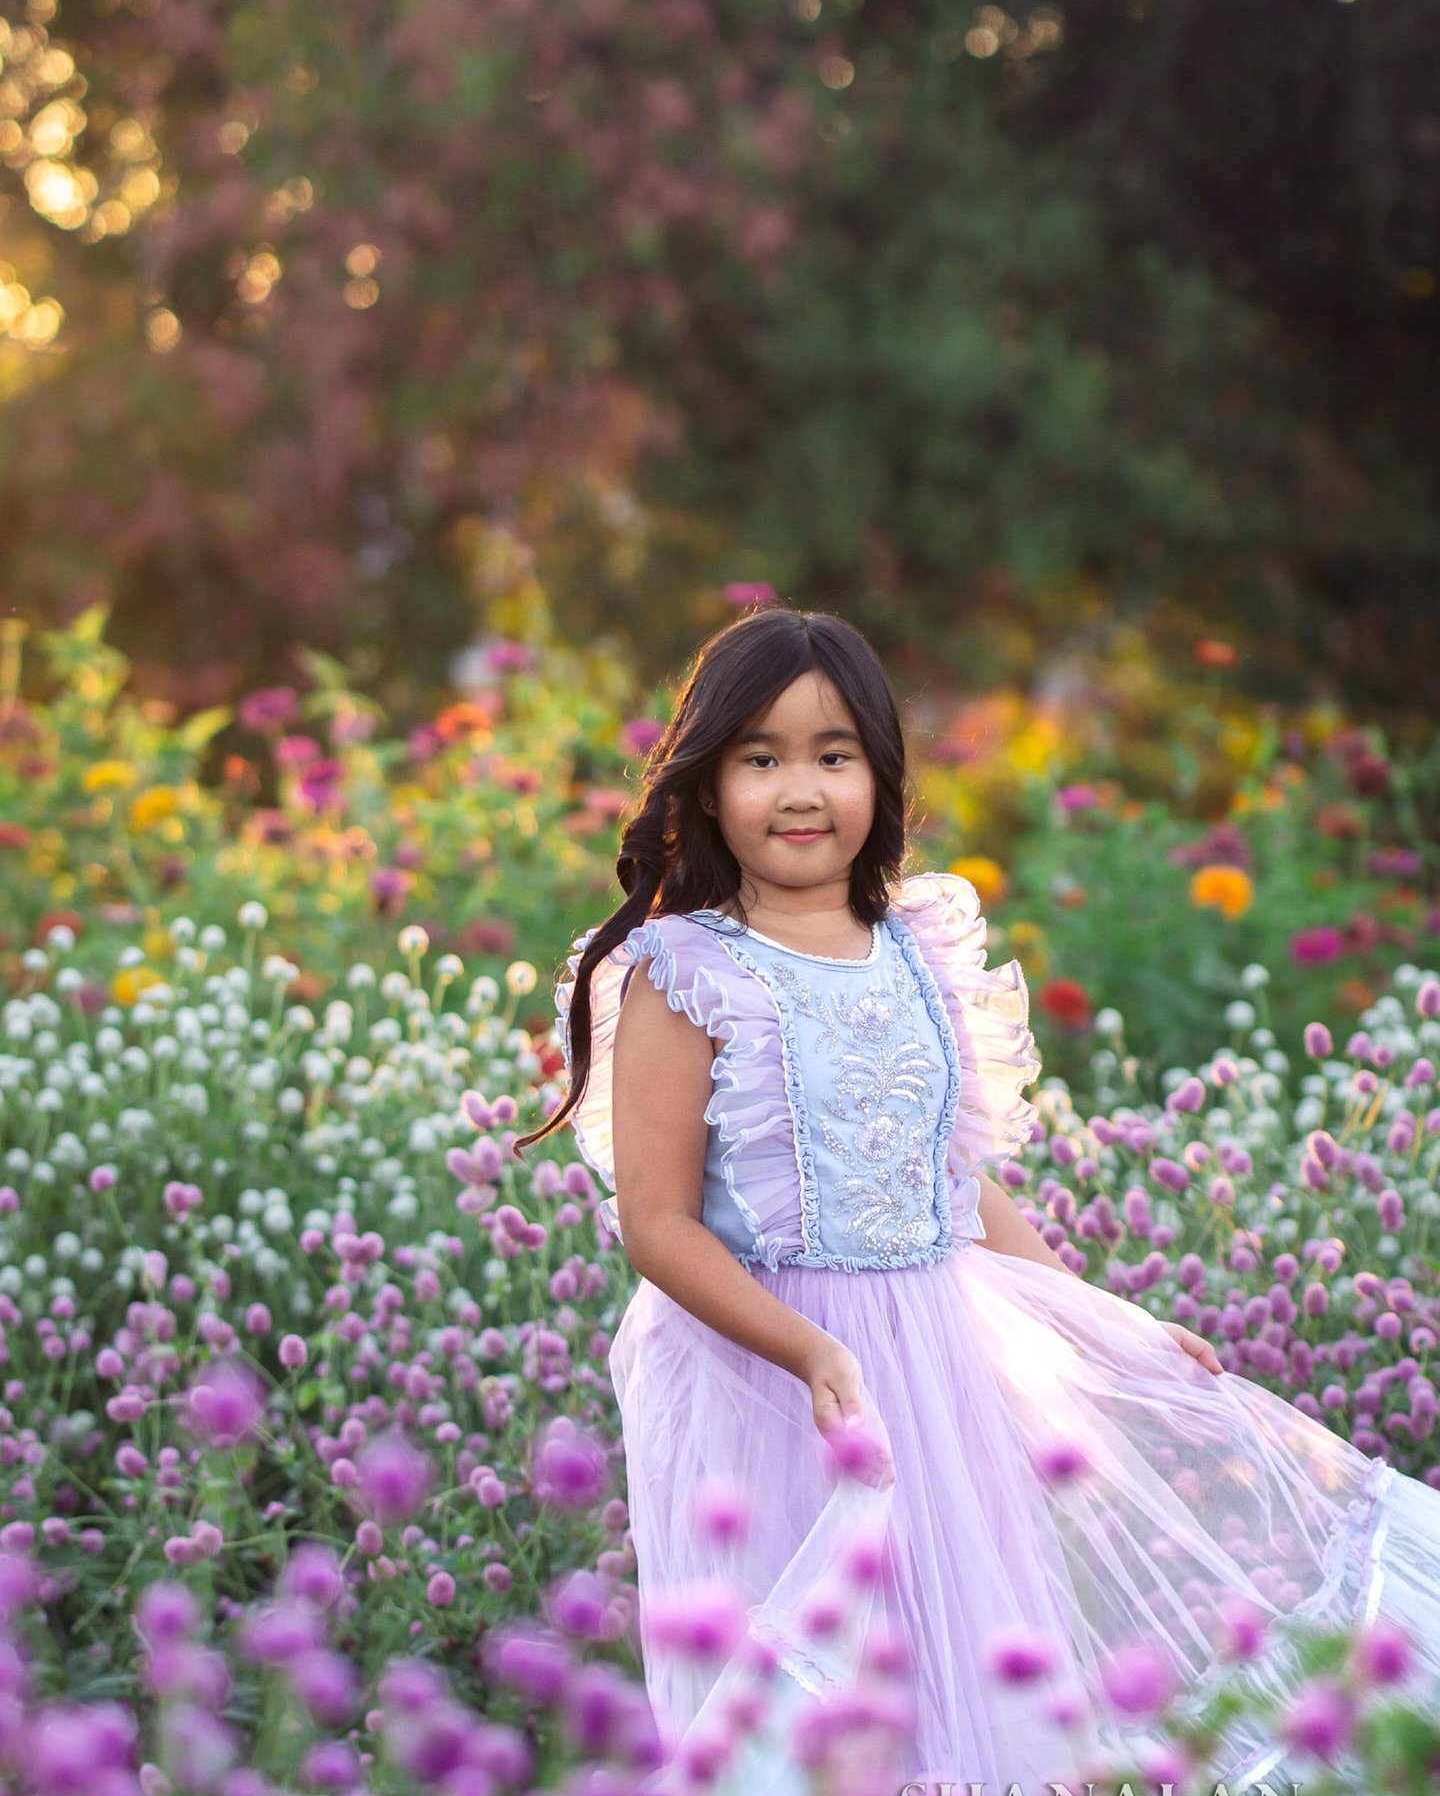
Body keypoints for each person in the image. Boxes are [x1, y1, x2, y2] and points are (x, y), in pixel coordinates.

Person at [524, 606, 1440, 1793]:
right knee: (830, 1705)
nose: (799, 789)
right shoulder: (681, 971)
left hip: (938, 1368)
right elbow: (657, 1223)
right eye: (761, 758)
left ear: (881, 775)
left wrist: (1101, 1321)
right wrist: (807, 1352)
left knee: (974, 1677)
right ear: (705, 789)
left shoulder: (912, 942)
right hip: (775, 1384)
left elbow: (953, 1180)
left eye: (833, 755)